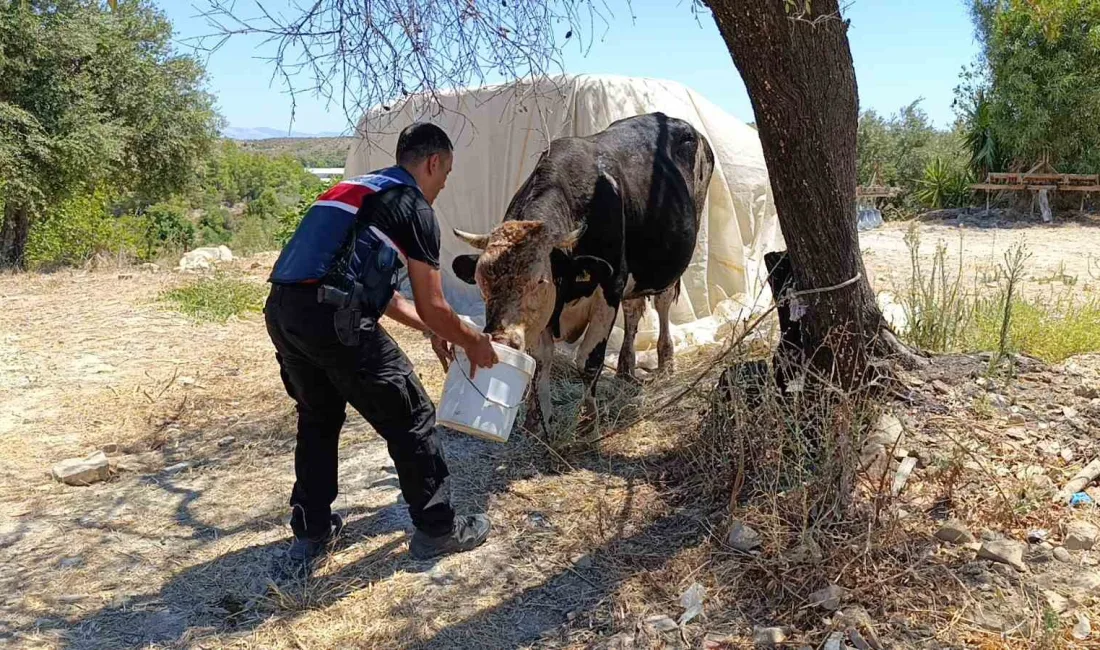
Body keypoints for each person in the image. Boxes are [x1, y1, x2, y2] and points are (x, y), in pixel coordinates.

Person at [264, 122, 498, 564]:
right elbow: (433, 304)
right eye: (446, 175)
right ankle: (438, 529)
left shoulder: (356, 190)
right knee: (412, 416)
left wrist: (433, 331)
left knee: (318, 415)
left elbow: (384, 295)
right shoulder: (412, 206)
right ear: (433, 163)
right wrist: (474, 342)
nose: (443, 186)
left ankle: (311, 531)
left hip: (284, 312)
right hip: (334, 320)